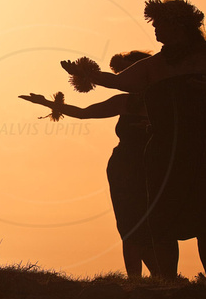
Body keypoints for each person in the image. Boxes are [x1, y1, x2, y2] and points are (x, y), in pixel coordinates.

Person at [61, 0, 206, 280]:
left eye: (161, 24)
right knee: (161, 215)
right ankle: (167, 281)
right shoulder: (153, 65)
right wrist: (85, 74)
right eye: (155, 25)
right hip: (166, 148)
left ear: (179, 25)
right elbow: (121, 82)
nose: (156, 30)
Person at [20, 51, 159, 278]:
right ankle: (138, 280)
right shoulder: (125, 102)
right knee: (129, 225)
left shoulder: (167, 104)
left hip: (154, 168)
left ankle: (161, 277)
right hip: (125, 170)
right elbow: (84, 114)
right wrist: (45, 102)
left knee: (152, 225)